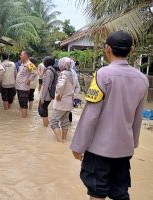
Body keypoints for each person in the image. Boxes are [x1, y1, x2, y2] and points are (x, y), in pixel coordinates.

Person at [70, 31, 149, 200]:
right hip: (124, 150)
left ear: (107, 49)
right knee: (120, 193)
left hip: (99, 150)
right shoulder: (142, 79)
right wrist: (132, 142)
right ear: (132, 51)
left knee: (97, 192)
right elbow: (138, 117)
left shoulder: (102, 75)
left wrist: (78, 145)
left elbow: (91, 114)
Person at [50, 57, 74, 142]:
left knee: (53, 122)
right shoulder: (72, 74)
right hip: (69, 102)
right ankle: (64, 140)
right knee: (65, 123)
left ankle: (60, 142)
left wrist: (59, 94)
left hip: (61, 102)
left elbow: (60, 85)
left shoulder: (63, 74)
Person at [15, 50, 37, 118]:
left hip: (23, 88)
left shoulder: (29, 64)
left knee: (24, 104)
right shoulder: (22, 63)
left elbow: (35, 73)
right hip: (19, 87)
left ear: (26, 56)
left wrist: (29, 80)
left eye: (21, 55)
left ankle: (24, 119)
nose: (20, 56)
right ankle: (23, 119)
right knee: (21, 103)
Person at [39, 56, 56, 127]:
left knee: (43, 110)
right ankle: (46, 124)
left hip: (46, 95)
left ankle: (45, 126)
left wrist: (42, 98)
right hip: (49, 93)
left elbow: (46, 85)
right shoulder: (52, 69)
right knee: (43, 109)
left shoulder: (48, 71)